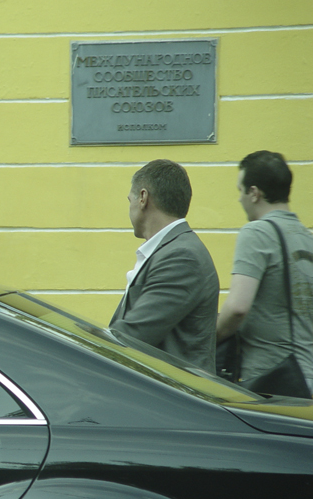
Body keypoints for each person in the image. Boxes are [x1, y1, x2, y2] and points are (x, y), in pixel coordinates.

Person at [216, 151, 313, 392]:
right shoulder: (306, 237)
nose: (239, 199)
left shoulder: (257, 232)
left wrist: (206, 339)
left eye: (240, 190)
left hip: (272, 379)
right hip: (306, 377)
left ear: (254, 193)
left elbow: (237, 308)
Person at [109, 159, 219, 372]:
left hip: (172, 390)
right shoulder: (173, 249)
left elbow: (133, 336)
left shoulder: (181, 256)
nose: (129, 207)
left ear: (143, 198)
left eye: (130, 200)